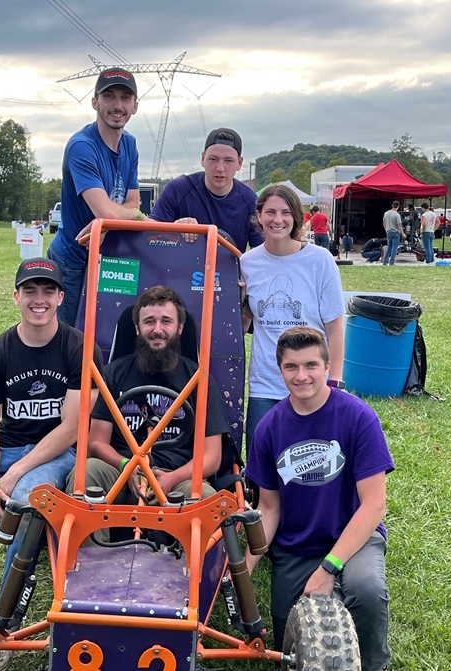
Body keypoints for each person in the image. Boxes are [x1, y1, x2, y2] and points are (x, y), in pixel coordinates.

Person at [0, 258, 96, 671]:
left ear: (61, 298)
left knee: (25, 516)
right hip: (5, 452)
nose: (39, 299)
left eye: (48, 291)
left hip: (53, 454)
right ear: (16, 297)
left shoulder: (78, 348)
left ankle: (3, 629)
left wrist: (14, 476)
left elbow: (71, 430)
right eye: (30, 290)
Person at [246, 326, 394, 671]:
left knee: (367, 591)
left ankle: (374, 663)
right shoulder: (268, 429)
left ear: (327, 366)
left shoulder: (358, 417)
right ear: (279, 369)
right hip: (297, 544)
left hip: (355, 535)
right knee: (289, 625)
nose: (302, 376)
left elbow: (374, 505)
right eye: (291, 367)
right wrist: (244, 568)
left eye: (311, 365)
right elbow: (268, 508)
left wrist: (330, 567)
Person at [69, 286, 231, 541]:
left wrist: (172, 478)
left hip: (177, 478)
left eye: (166, 321)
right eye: (149, 322)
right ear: (136, 328)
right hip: (121, 474)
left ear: (179, 328)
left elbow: (212, 456)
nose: (157, 330)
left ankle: (187, 574)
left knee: (205, 498)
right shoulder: (113, 374)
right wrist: (127, 468)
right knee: (87, 471)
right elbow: (96, 442)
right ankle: (89, 565)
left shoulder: (199, 380)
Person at [241, 185, 345, 453]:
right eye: (271, 212)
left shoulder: (320, 260)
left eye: (286, 213)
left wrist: (334, 381)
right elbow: (242, 323)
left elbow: (334, 328)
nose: (278, 220)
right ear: (259, 216)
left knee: (312, 463)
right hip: (265, 383)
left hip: (311, 380)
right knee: (260, 463)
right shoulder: (246, 263)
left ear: (296, 217)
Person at [49, 67, 145, 327]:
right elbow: (114, 212)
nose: (117, 105)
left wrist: (112, 220)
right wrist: (132, 217)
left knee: (103, 338)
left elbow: (131, 203)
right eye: (109, 96)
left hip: (109, 259)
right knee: (67, 341)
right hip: (72, 262)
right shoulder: (82, 146)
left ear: (135, 106)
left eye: (126, 98)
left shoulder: (130, 144)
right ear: (95, 102)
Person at [150, 128, 265, 253]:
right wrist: (173, 230)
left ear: (239, 163)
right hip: (180, 270)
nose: (220, 168)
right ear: (203, 159)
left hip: (228, 271)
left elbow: (261, 254)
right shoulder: (177, 190)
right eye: (213, 159)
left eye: (228, 161)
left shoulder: (250, 201)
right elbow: (149, 239)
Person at [381, 201, 404, 265]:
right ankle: (392, 261)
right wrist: (402, 233)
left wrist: (386, 230)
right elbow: (399, 225)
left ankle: (385, 261)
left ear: (392, 205)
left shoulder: (386, 213)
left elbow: (384, 223)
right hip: (395, 232)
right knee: (394, 247)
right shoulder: (397, 215)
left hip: (388, 232)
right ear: (398, 206)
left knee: (389, 247)